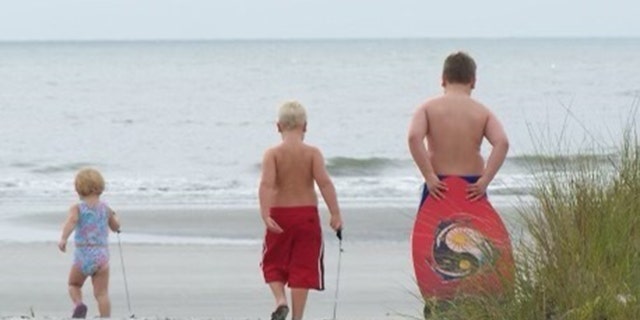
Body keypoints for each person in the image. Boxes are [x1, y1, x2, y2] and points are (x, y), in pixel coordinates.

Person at [259, 100, 343, 320]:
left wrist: (265, 214)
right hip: (306, 217)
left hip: (279, 216)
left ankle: (280, 300)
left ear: (278, 126)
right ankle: (297, 318)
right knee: (303, 268)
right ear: (305, 126)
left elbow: (266, 185)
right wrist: (335, 213)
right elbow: (325, 183)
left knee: (272, 261)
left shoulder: (272, 154)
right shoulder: (312, 153)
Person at [407, 51, 509, 203]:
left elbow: (414, 137)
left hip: (438, 185)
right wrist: (485, 181)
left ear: (443, 80)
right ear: (473, 81)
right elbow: (502, 142)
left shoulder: (427, 108)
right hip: (473, 187)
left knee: (437, 227)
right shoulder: (482, 112)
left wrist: (429, 176)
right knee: (472, 227)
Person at [58, 168, 121, 318]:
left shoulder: (78, 208)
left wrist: (63, 238)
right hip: (101, 257)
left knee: (74, 284)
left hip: (83, 256)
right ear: (100, 187)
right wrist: (116, 219)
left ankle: (79, 305)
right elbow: (115, 227)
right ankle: (105, 317)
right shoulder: (106, 209)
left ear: (79, 188)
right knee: (102, 293)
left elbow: (72, 221)